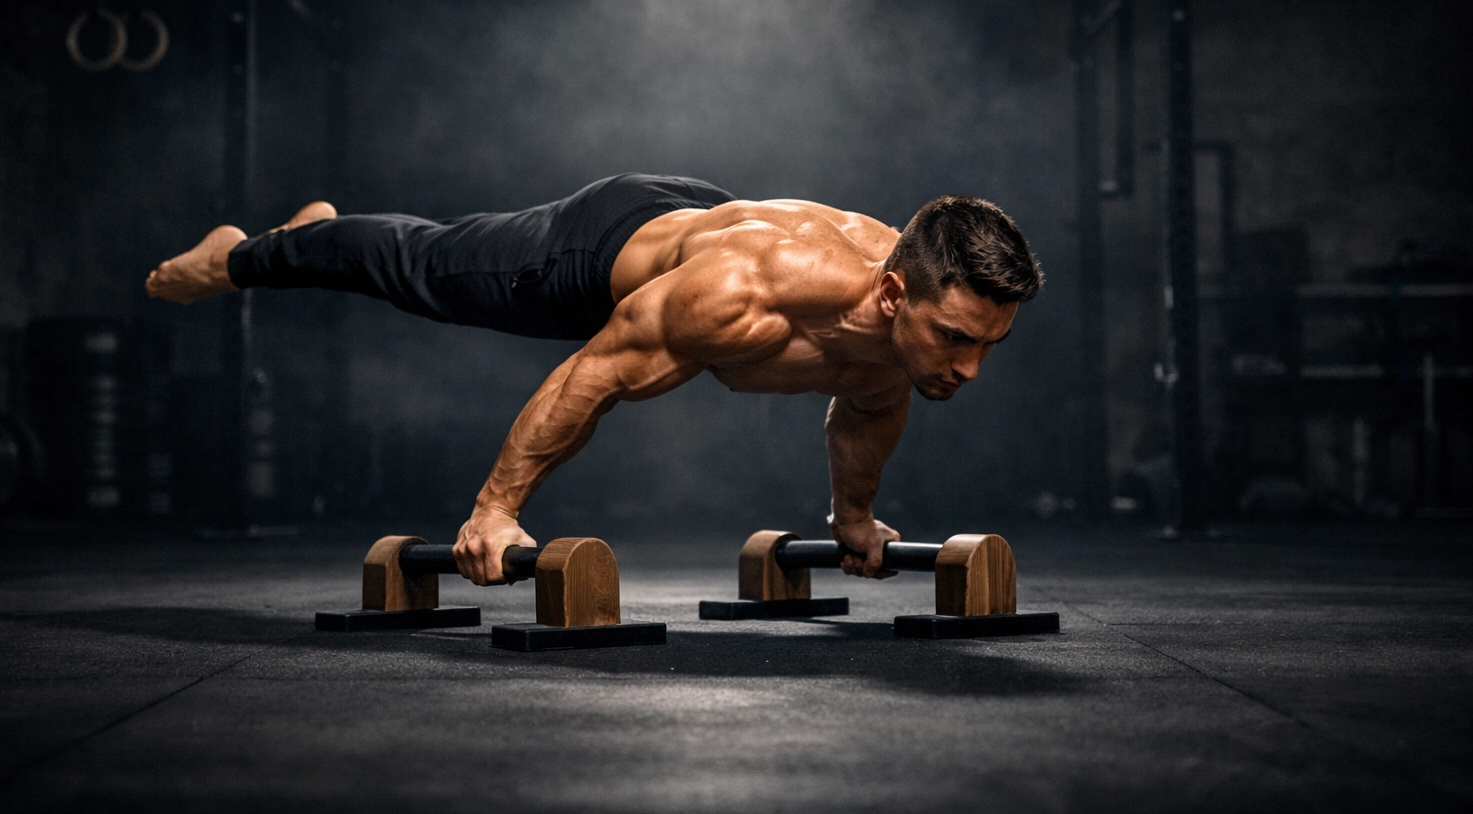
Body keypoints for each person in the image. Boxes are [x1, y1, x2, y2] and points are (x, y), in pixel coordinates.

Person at [146, 173, 1043, 585]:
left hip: (695, 217)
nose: (969, 368)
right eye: (958, 339)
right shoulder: (746, 294)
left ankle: (314, 239)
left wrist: (851, 519)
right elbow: (595, 374)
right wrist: (496, 510)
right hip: (597, 251)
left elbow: (869, 404)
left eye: (988, 347)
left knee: (412, 261)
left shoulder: (906, 321)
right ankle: (252, 253)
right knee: (425, 269)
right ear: (893, 294)